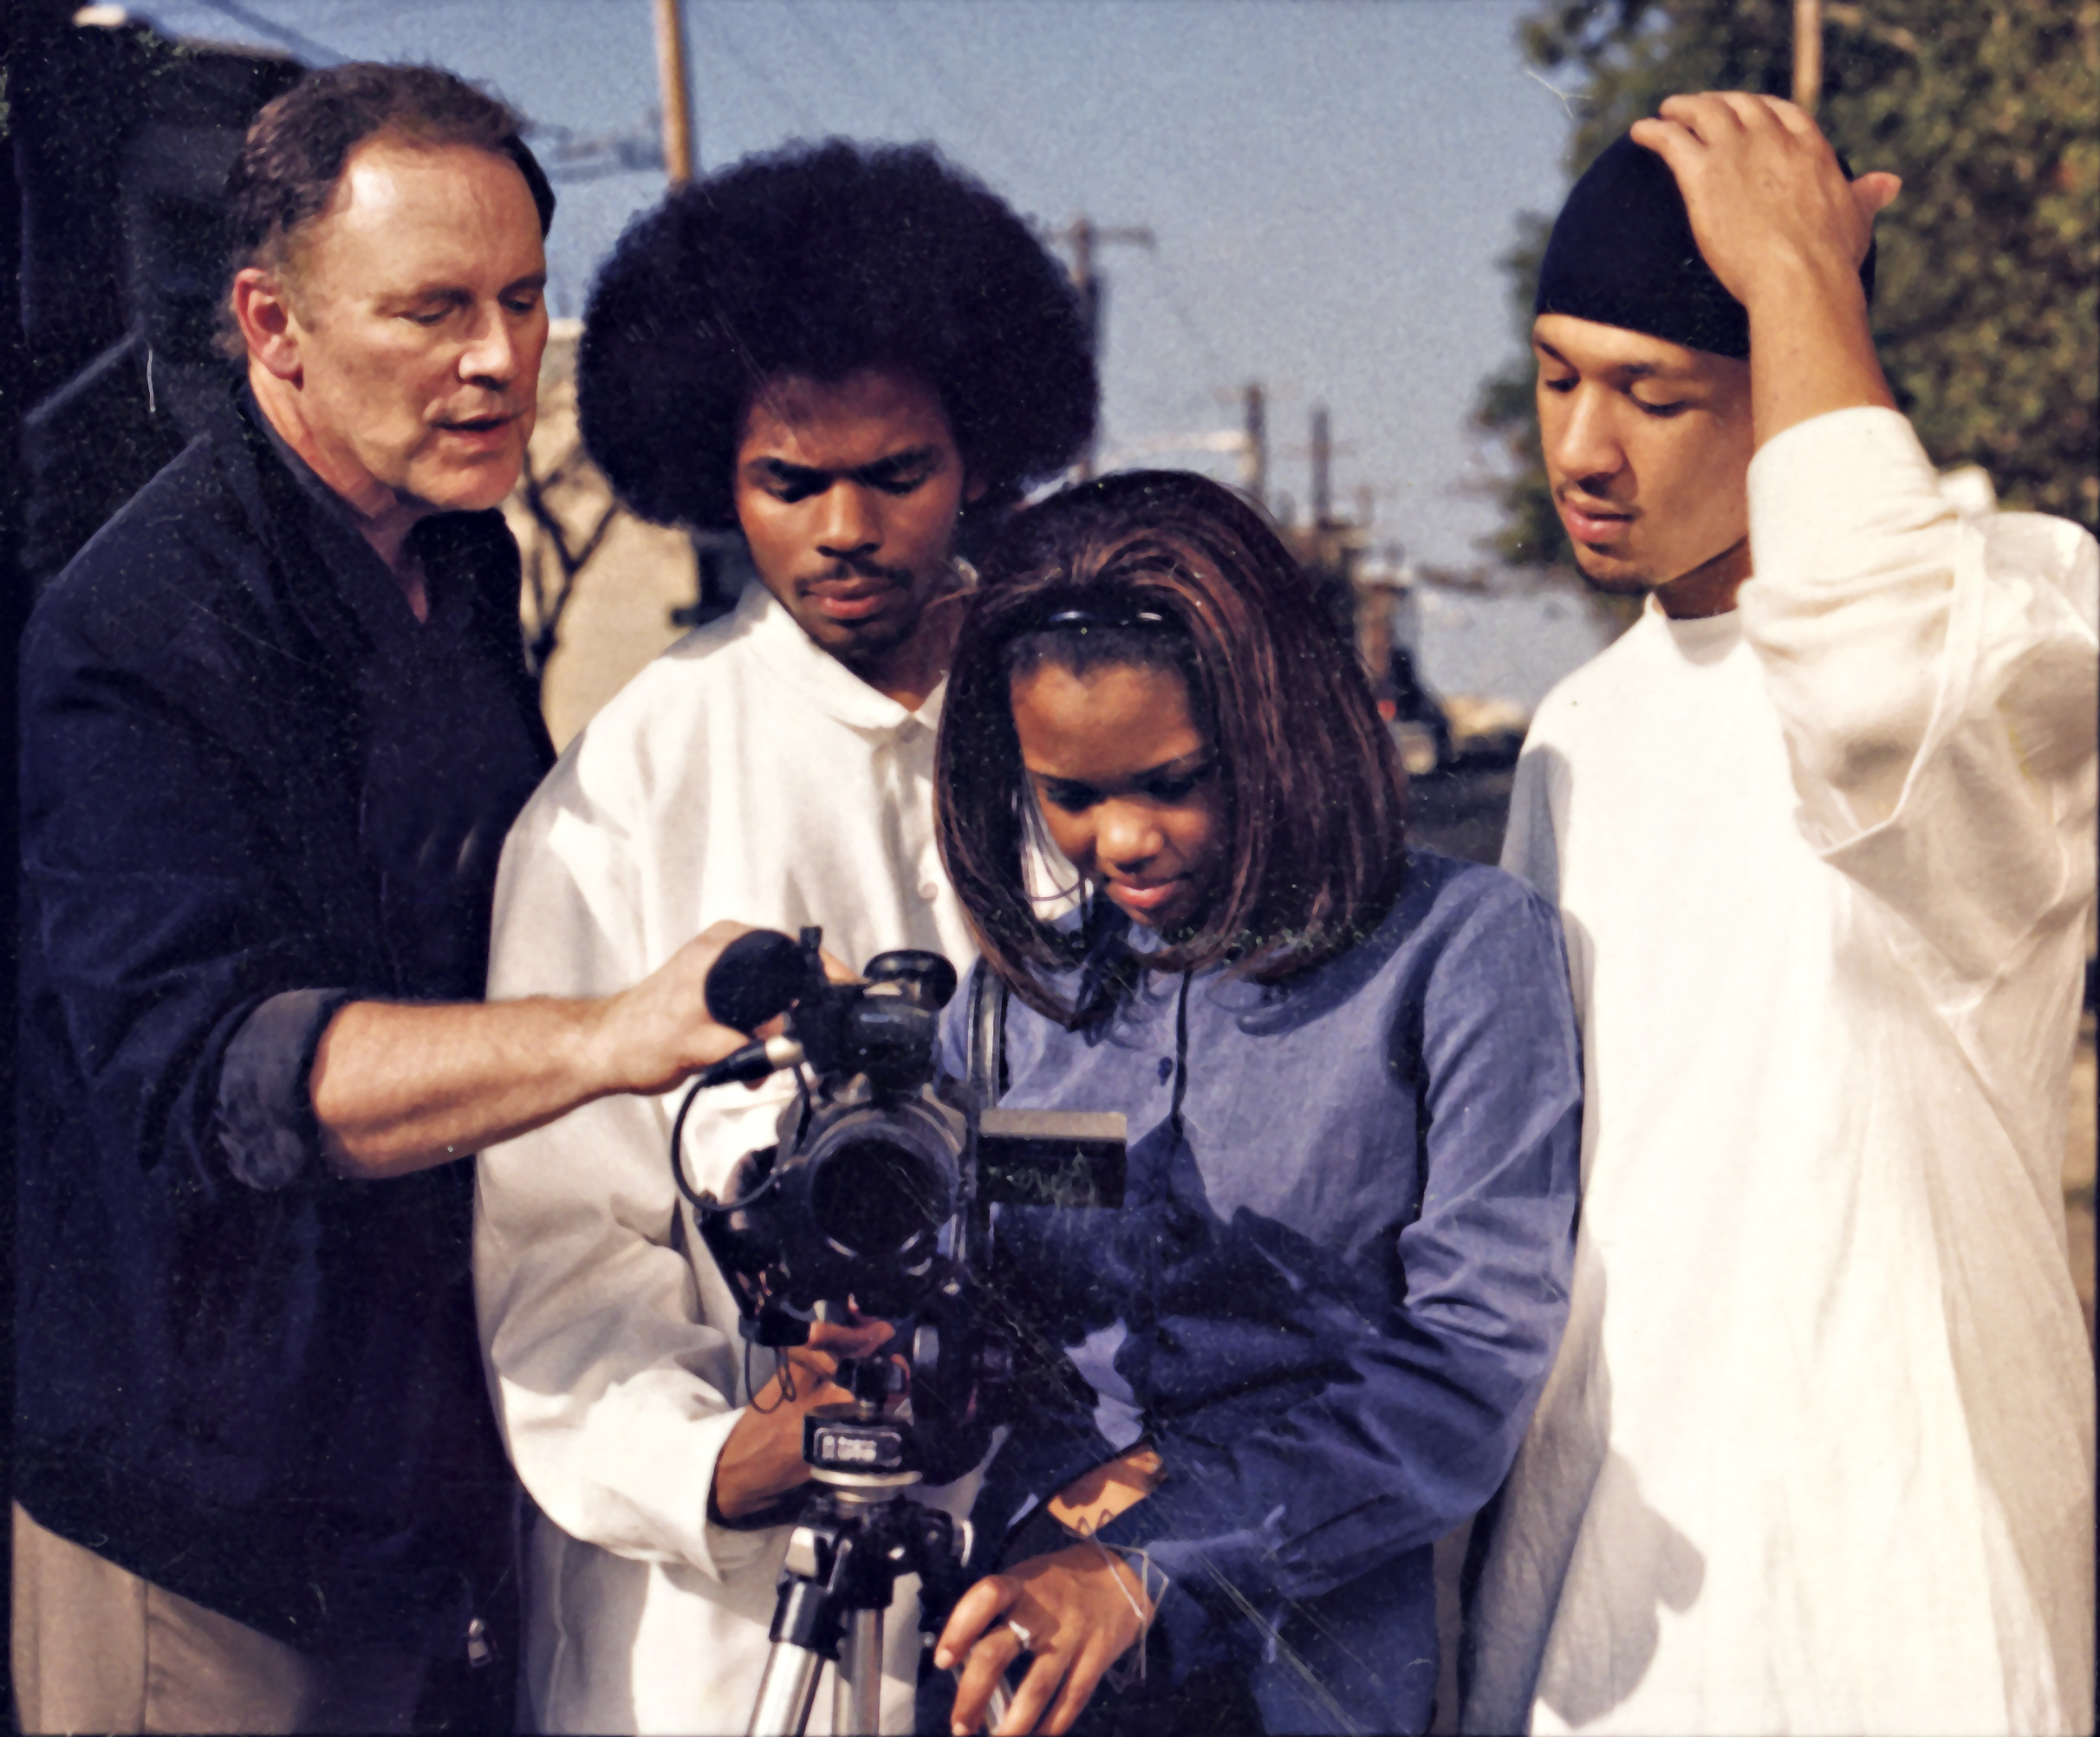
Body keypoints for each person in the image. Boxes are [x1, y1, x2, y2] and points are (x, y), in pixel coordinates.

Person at [16, 63, 765, 1736]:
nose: (500, 360)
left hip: (432, 1485)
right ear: (270, 325)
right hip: (205, 1519)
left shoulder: (462, 549)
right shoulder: (136, 624)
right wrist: (609, 1036)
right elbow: (226, 1082)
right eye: (431, 311)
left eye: (520, 298)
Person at [1458, 96, 2097, 1735]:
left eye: (1654, 392)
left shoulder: (2012, 631)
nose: (1584, 448)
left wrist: (1803, 270)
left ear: (1799, 378)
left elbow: (1874, 680)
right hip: (1607, 1607)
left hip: (1901, 1596)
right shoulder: (1579, 733)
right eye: (1557, 376)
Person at [472, 139, 1096, 1733]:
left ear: (983, 458)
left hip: (1046, 1575)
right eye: (788, 482)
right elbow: (557, 1243)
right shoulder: (634, 782)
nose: (843, 530)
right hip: (723, 1638)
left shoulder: (1088, 733)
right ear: (713, 471)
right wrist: (717, 1454)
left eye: (897, 474)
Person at [915, 469, 1584, 1737]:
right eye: (1071, 796)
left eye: (1172, 782)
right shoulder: (1005, 1010)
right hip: (1022, 1656)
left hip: (1314, 1657)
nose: (1120, 842)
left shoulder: (1459, 954)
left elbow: (1469, 1366)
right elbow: (965, 1325)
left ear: (1280, 727)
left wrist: (1159, 1562)